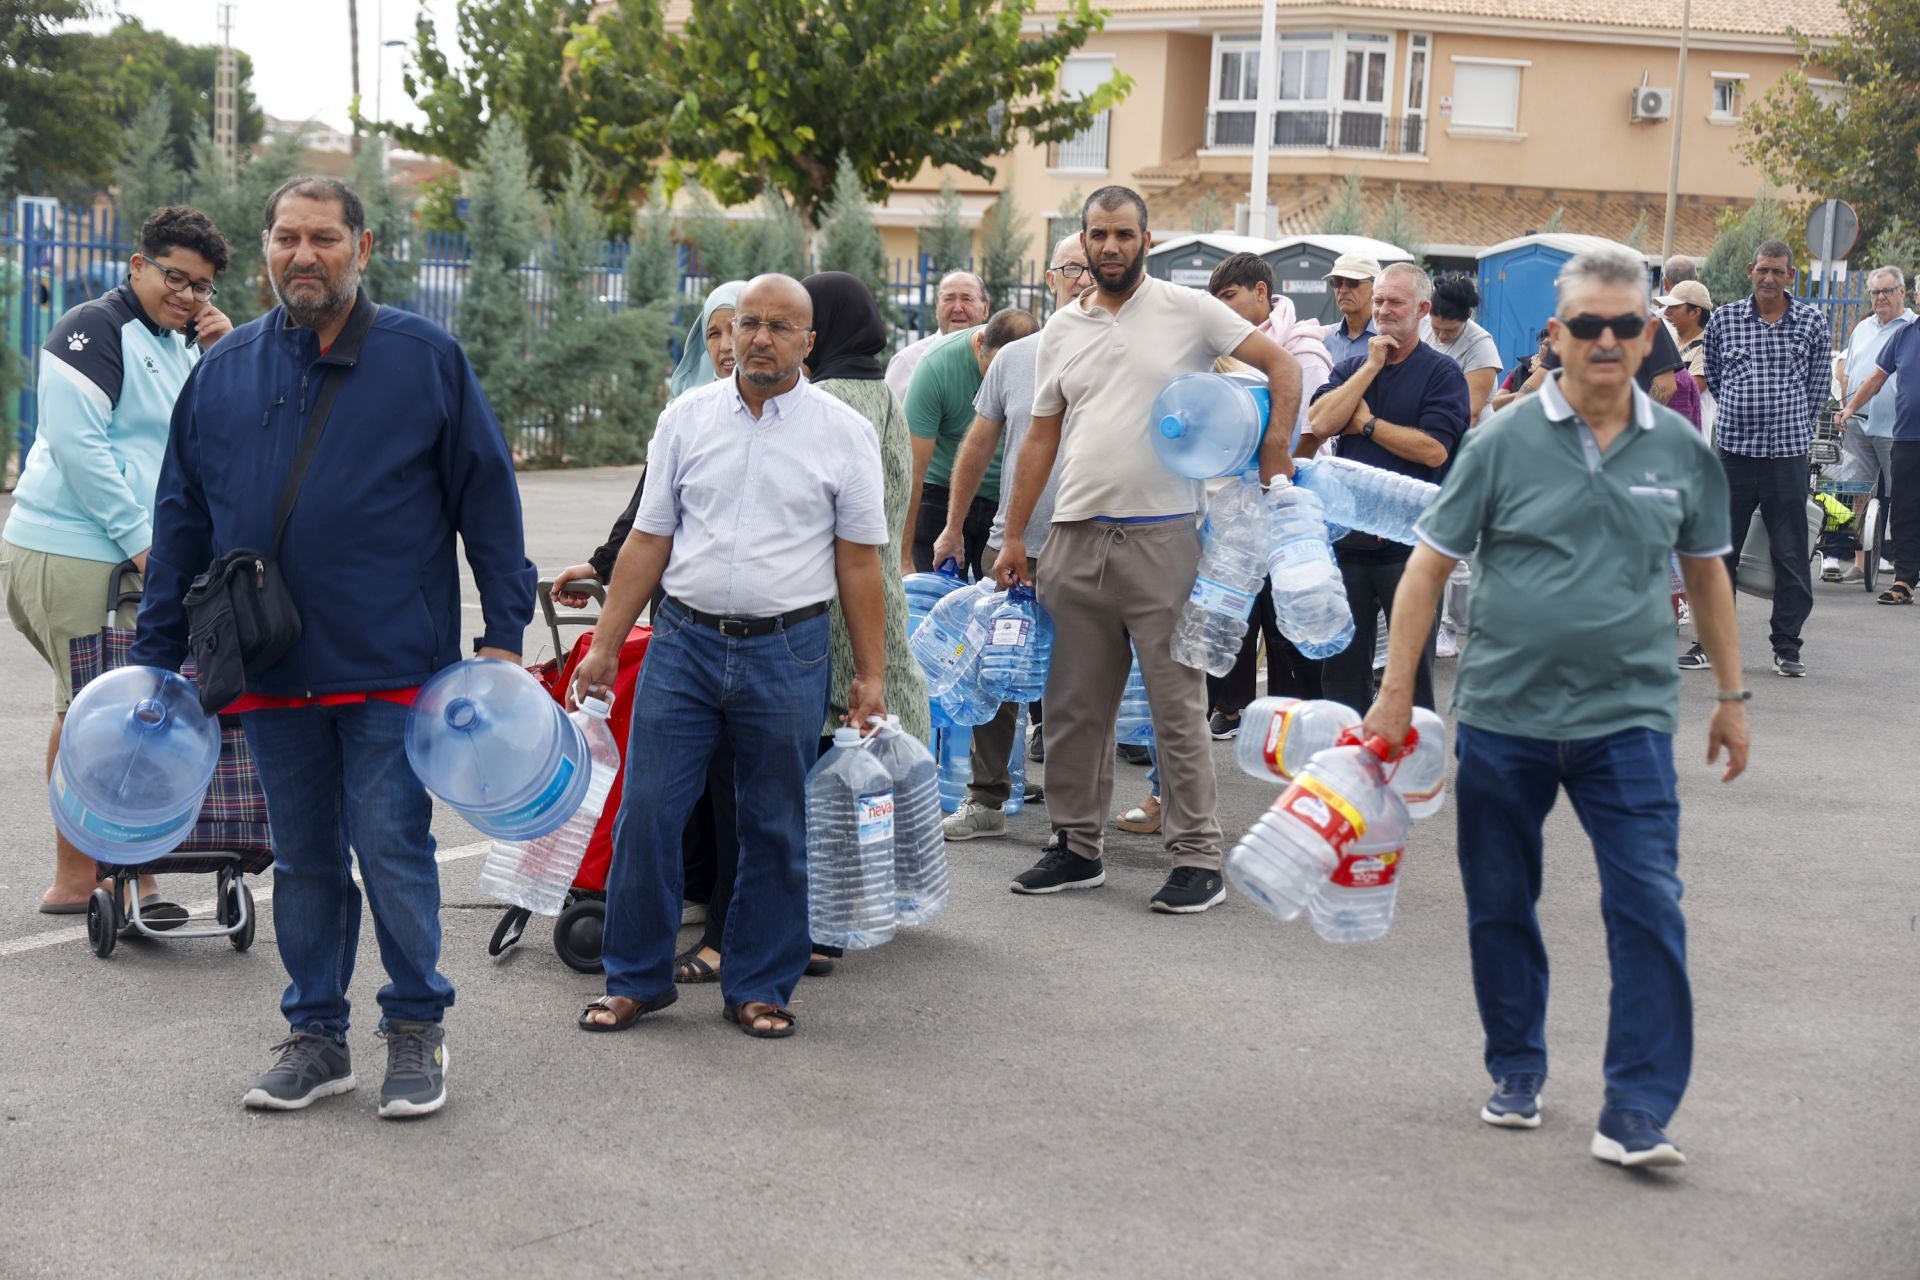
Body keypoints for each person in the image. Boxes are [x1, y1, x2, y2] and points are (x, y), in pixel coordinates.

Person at [130, 177, 535, 1118]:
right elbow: (180, 519)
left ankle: (415, 1026)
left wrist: (504, 635)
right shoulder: (222, 373)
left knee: (391, 848)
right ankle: (316, 1036)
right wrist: (155, 658)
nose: (301, 255)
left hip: (392, 666)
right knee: (307, 859)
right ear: (265, 248)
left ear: (363, 246)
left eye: (321, 237)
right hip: (269, 670)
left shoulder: (423, 358)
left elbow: (488, 501)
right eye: (284, 238)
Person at [1364, 246, 1748, 1170]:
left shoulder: (1682, 449)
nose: (1607, 341)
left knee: (1650, 903)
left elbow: (1706, 573)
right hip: (1506, 716)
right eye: (1587, 326)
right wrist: (1391, 696)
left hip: (1630, 719)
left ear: (1650, 332)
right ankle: (1517, 1067)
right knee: (1501, 902)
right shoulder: (1500, 441)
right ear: (1559, 334)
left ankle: (1638, 1109)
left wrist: (1733, 696)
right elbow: (1428, 568)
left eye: (1625, 325)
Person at [576, 274, 890, 1040]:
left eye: (780, 326)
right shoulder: (684, 419)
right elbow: (649, 540)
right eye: (748, 322)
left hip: (787, 650)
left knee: (773, 824)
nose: (759, 338)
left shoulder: (843, 433)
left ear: (808, 343)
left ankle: (757, 984)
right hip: (683, 643)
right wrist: (607, 647)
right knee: (649, 814)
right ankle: (636, 981)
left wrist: (871, 674)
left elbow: (860, 562)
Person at [992, 186, 1303, 914]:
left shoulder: (1188, 310)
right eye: (1097, 235)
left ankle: (1198, 859)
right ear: (1082, 241)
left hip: (1164, 537)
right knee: (1071, 709)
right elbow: (1040, 435)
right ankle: (1075, 847)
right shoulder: (1063, 329)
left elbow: (1281, 370)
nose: (1109, 247)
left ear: (1146, 239)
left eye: (1123, 234)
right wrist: (1012, 533)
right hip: (1073, 538)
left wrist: (1274, 451)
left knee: (1176, 707)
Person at [4, 205, 231, 921]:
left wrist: (224, 356)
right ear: (138, 266)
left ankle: (100, 875)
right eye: (175, 277)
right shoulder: (94, 328)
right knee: (107, 715)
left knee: (93, 710)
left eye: (201, 286)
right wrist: (148, 547)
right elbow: (79, 447)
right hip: (72, 550)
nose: (187, 295)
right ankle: (105, 878)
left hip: (115, 557)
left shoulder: (180, 344)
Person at [547, 281, 750, 967]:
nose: (726, 347)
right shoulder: (688, 410)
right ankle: (684, 899)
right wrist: (602, 567)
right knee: (671, 780)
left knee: (733, 787)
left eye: (737, 329)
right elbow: (647, 516)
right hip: (681, 625)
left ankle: (733, 922)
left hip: (761, 632)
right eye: (713, 334)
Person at [935, 235, 1090, 839]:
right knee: (994, 672)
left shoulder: (1126, 354)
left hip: (1093, 543)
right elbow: (977, 444)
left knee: (1079, 684)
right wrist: (953, 527)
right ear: (1050, 279)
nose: (1080, 278)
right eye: (1069, 268)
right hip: (1015, 543)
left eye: (1089, 268)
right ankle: (987, 799)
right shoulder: (1016, 356)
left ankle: (1073, 816)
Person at [1302, 262, 1469, 715]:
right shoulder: (1354, 366)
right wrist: (1371, 367)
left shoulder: (1441, 374)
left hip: (1410, 548)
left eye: (1396, 302)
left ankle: (1410, 773)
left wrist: (1369, 425)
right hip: (1348, 544)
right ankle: (1347, 767)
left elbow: (1434, 450)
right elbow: (1319, 422)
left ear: (1422, 309)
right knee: (1341, 669)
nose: (1384, 310)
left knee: (1408, 672)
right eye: (1379, 301)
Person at [1199, 252, 1329, 747]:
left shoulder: (1302, 351)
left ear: (1260, 293)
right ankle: (1230, 708)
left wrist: (1279, 478)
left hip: (1285, 499)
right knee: (1232, 607)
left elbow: (1314, 429)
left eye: (1230, 297)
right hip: (1232, 503)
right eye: (1217, 302)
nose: (1223, 310)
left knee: (1282, 617)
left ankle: (1288, 716)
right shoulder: (1220, 352)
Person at [1695, 239, 1830, 676]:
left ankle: (1788, 646)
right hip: (1734, 454)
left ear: (1791, 275)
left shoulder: (1811, 321)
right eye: (1763, 270)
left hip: (1786, 457)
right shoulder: (1725, 320)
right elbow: (1714, 375)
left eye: (1778, 271)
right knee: (1720, 552)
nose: (1769, 278)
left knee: (1790, 554)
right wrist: (1743, 411)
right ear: (1750, 270)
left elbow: (1817, 387)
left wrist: (1792, 425)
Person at [903, 308, 1040, 574]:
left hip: (1003, 498)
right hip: (941, 491)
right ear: (980, 343)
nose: (997, 383)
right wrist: (903, 556)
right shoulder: (936, 365)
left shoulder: (1040, 362)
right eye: (993, 369)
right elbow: (913, 468)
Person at [1835, 269, 1920, 606]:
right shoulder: (1906, 336)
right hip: (1907, 438)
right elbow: (1876, 378)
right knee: (1904, 509)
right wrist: (1850, 407)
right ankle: (1904, 580)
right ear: (1916, 295)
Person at [885, 270, 989, 402]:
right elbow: (885, 419)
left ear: (985, 308)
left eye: (967, 299)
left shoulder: (997, 361)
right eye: (948, 299)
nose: (957, 308)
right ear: (936, 307)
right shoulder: (907, 362)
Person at [1422, 278, 1504, 424]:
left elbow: (1471, 413)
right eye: (1436, 328)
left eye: (1450, 330)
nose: (1441, 336)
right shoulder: (1421, 324)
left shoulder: (1480, 345)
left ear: (1468, 316)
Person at [1658, 280, 1714, 434]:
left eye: (1674, 307)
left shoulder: (1706, 348)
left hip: (1691, 438)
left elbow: (1688, 390)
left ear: (1695, 312)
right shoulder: (1675, 343)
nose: (1667, 312)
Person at [1320, 253, 1380, 366]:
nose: (1342, 290)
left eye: (1352, 282)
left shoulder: (1389, 340)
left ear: (1375, 287)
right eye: (1336, 282)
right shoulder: (1324, 339)